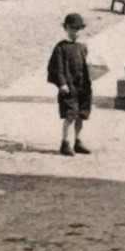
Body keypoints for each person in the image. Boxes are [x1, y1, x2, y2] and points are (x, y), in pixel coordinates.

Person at [47, 12, 93, 156]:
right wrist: (62, 83)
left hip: (83, 86)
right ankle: (65, 142)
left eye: (78, 29)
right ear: (65, 28)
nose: (75, 32)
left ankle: (78, 140)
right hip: (69, 87)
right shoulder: (61, 48)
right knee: (70, 115)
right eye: (72, 28)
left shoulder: (82, 47)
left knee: (81, 114)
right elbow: (57, 67)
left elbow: (88, 65)